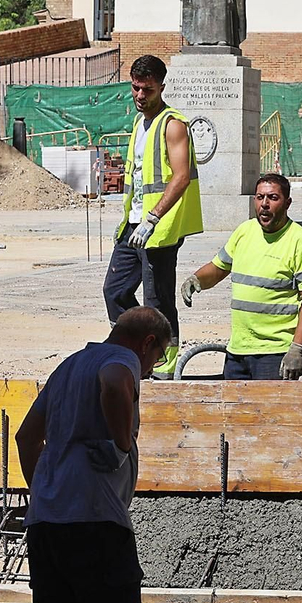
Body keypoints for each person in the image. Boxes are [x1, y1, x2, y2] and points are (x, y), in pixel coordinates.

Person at [15, 306, 173, 603]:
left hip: (46, 524)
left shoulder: (67, 366)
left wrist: (45, 490)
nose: (150, 368)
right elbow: (114, 383)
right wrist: (121, 443)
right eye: (156, 358)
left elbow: (27, 438)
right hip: (97, 522)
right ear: (147, 343)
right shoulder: (122, 361)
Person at [103, 55, 203, 377]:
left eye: (147, 89)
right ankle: (141, 343)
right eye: (135, 88)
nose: (140, 95)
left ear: (161, 86)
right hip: (133, 225)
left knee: (157, 299)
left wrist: (154, 218)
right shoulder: (139, 123)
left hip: (159, 228)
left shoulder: (173, 125)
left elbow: (181, 176)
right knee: (115, 291)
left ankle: (165, 361)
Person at [179, 173, 302, 381]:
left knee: (268, 413)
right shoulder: (244, 232)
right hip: (238, 351)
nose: (264, 204)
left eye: (273, 198)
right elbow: (219, 268)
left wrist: (297, 349)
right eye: (259, 197)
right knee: (235, 413)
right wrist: (196, 279)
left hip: (274, 353)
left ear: (287, 203)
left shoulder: (301, 243)